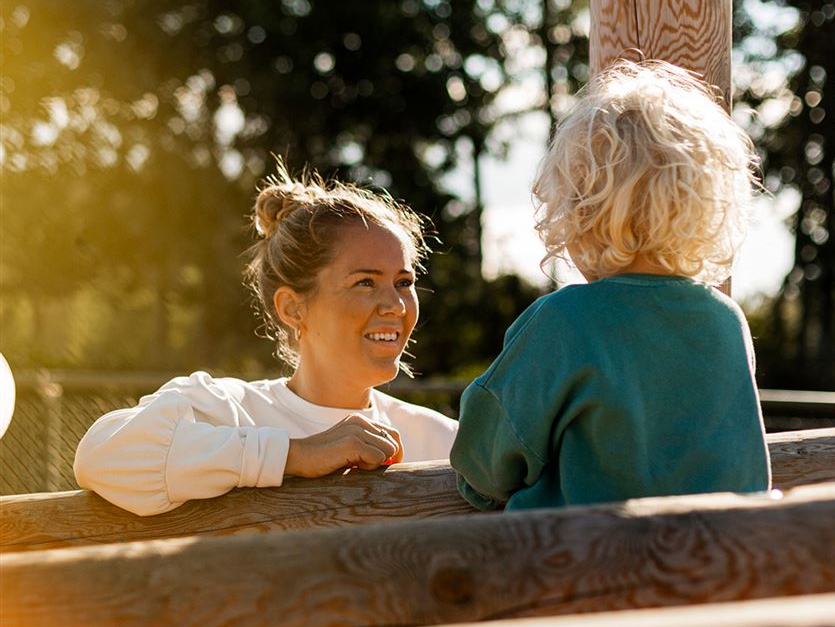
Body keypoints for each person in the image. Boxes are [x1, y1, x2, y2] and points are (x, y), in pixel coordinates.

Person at [451, 59, 771, 511]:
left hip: (581, 572)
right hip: (717, 570)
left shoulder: (564, 320)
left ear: (579, 209)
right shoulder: (725, 320)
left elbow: (483, 463)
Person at [75, 165, 457, 516]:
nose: (395, 305)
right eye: (365, 283)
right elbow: (101, 457)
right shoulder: (229, 410)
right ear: (292, 309)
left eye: (403, 283)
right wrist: (295, 455)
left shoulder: (445, 440)